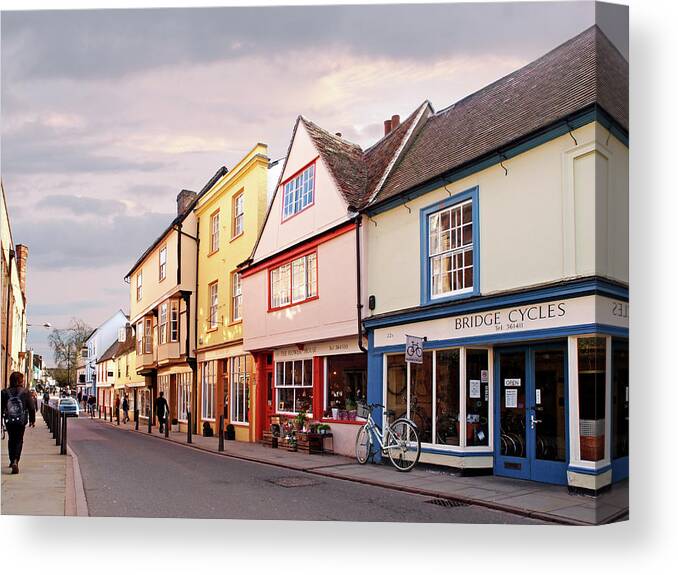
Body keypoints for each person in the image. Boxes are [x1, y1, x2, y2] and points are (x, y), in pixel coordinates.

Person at [1, 372, 36, 474]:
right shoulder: (25, 392)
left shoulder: (4, 392)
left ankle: (12, 460)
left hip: (9, 420)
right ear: (21, 380)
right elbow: (32, 408)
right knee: (19, 439)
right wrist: (32, 420)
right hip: (21, 421)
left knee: (11, 439)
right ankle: (16, 460)